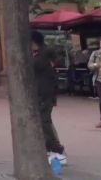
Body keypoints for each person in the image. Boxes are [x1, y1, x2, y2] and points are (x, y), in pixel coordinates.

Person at [30, 31, 66, 165]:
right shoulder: (37, 54)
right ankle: (48, 147)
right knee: (45, 120)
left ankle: (57, 150)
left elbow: (41, 69)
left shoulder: (44, 54)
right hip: (40, 92)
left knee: (44, 120)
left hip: (45, 92)